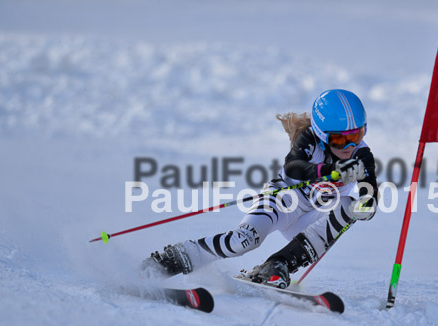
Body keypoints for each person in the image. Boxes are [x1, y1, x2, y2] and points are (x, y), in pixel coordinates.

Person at [148, 89, 378, 288]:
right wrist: (329, 170)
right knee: (243, 241)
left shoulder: (362, 154)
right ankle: (169, 261)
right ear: (321, 134)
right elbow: (294, 166)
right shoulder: (308, 139)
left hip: (314, 218)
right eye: (339, 140)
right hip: (285, 200)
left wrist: (367, 206)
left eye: (357, 135)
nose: (349, 145)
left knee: (349, 207)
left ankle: (277, 265)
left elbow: (370, 190)